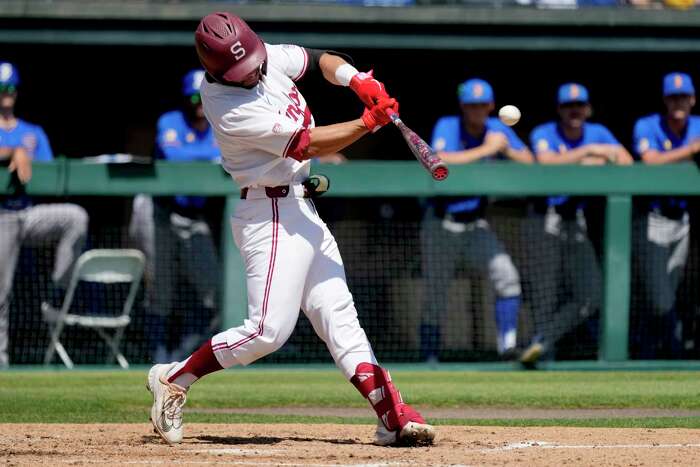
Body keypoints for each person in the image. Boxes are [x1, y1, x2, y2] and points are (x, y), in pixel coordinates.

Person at [146, 12, 435, 447]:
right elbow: (306, 142)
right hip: (269, 214)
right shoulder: (228, 106)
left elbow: (319, 60)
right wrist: (367, 123)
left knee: (339, 317)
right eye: (244, 72)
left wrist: (358, 80)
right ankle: (173, 378)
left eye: (257, 62)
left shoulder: (258, 57)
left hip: (300, 205)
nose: (256, 73)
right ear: (217, 70)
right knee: (267, 332)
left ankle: (391, 416)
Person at [420, 79, 533, 362]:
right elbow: (438, 158)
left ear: (491, 106)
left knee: (507, 276)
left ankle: (507, 347)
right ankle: (429, 358)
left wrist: (506, 149)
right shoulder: (448, 124)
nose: (477, 111)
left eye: (482, 105)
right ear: (463, 106)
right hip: (441, 223)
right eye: (472, 105)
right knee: (436, 295)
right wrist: (487, 150)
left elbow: (531, 163)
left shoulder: (498, 129)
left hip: (476, 225)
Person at [521, 83, 632, 366]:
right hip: (546, 217)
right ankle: (543, 356)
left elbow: (627, 161)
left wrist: (590, 153)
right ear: (559, 110)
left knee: (590, 296)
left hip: (576, 221)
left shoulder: (598, 132)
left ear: (588, 108)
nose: (574, 111)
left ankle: (541, 342)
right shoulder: (544, 132)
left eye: (579, 105)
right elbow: (546, 162)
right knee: (545, 294)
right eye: (568, 106)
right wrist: (591, 154)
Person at [0, 62, 88, 368]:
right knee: (1, 294)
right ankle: (2, 362)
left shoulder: (32, 132)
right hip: (2, 217)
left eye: (10, 88)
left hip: (29, 212)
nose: (5, 94)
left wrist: (24, 150)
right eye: (1, 89)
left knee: (74, 217)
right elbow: (12, 153)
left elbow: (49, 173)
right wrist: (12, 151)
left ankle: (56, 294)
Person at [137, 70, 222, 364]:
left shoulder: (220, 126)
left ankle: (181, 357)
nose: (199, 103)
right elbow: (175, 158)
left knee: (214, 290)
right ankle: (157, 356)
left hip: (193, 216)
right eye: (193, 97)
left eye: (204, 97)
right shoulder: (170, 121)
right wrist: (211, 157)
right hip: (159, 210)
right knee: (160, 289)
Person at [631, 72, 699, 358]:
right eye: (673, 97)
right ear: (665, 100)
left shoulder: (697, 124)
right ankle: (673, 351)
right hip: (652, 219)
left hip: (682, 220)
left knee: (667, 293)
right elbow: (650, 161)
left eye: (683, 96)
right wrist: (692, 150)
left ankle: (648, 349)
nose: (678, 102)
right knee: (661, 299)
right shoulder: (648, 125)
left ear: (693, 99)